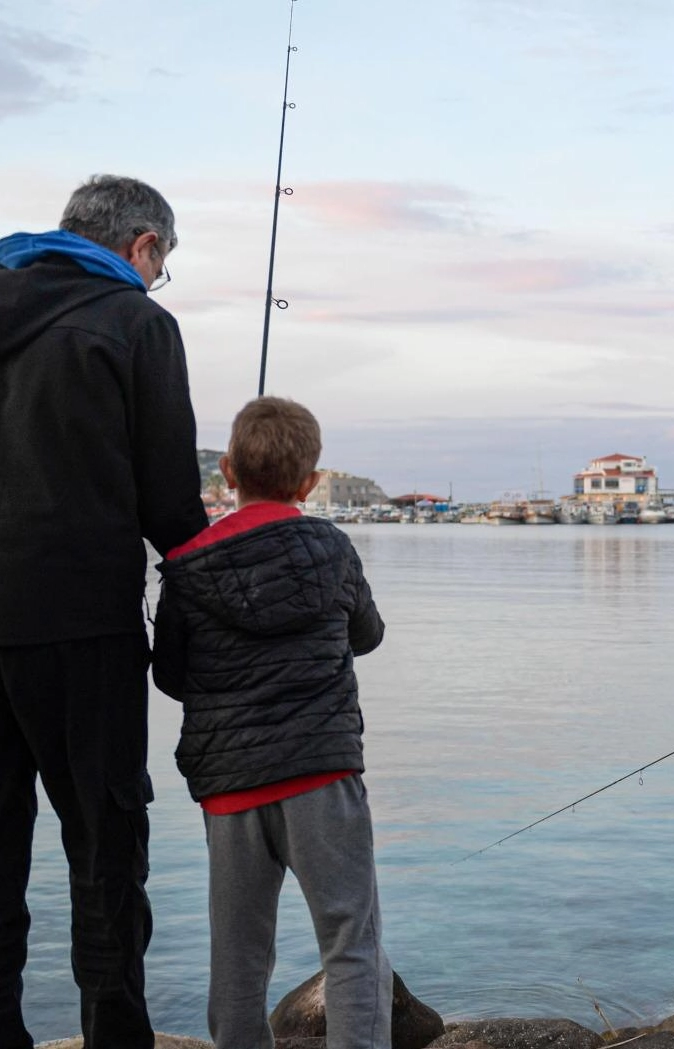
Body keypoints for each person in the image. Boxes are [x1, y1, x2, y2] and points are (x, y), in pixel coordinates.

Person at [0, 175, 206, 1049]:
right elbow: (172, 505)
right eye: (163, 263)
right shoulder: (136, 324)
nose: (158, 280)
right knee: (105, 843)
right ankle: (114, 1037)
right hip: (80, 622)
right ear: (142, 245)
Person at [151, 397, 391, 1049]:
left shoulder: (188, 564)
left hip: (230, 786)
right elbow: (367, 635)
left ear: (229, 471)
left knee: (238, 956)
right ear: (310, 482)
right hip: (323, 774)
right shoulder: (332, 548)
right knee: (351, 942)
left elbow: (170, 675)